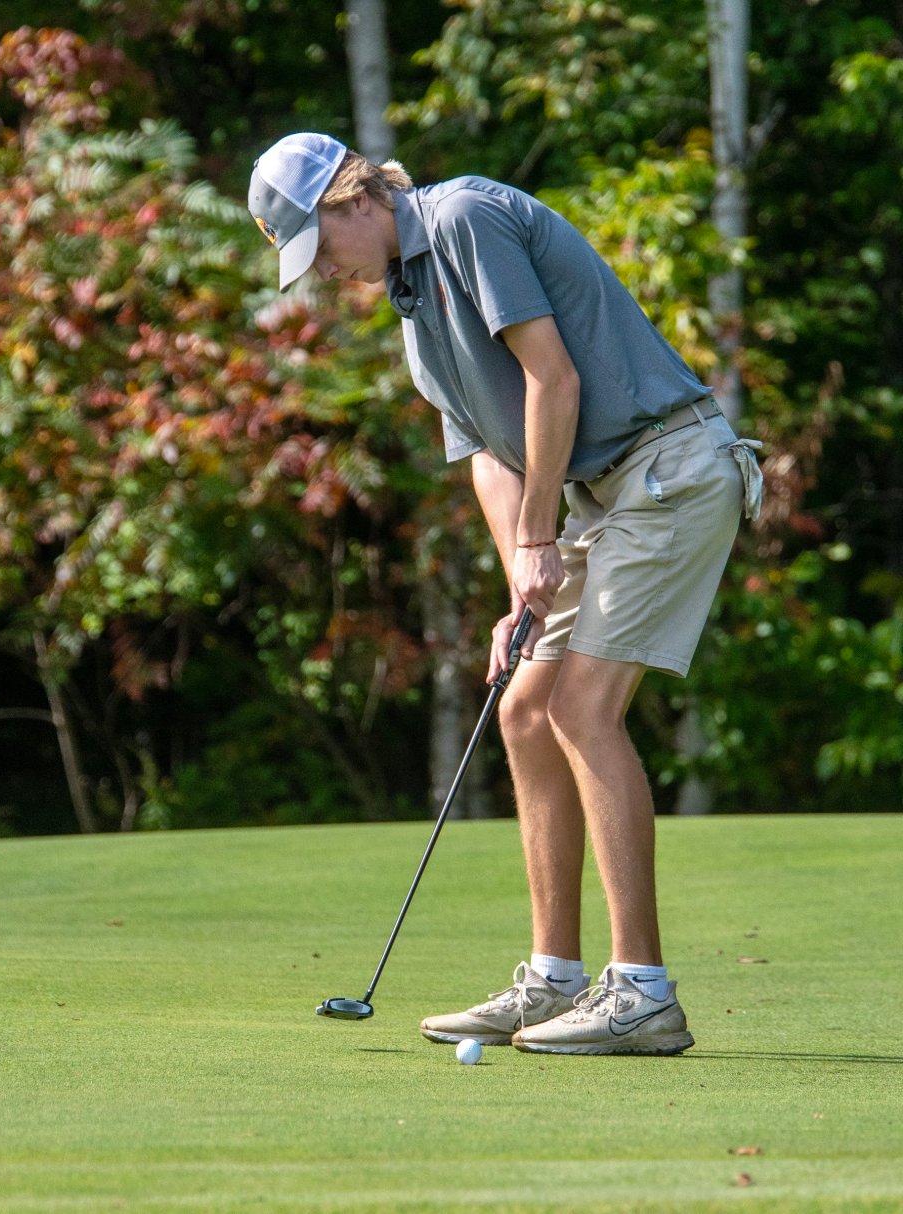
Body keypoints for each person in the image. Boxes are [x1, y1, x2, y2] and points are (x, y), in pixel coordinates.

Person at [248, 132, 762, 1056]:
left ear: (353, 200)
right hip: (603, 497)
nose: (325, 271)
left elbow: (551, 379)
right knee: (526, 709)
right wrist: (519, 582)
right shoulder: (414, 309)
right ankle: (552, 980)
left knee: (581, 708)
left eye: (321, 248)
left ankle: (641, 991)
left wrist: (539, 539)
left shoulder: (463, 217)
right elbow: (489, 452)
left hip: (671, 470)